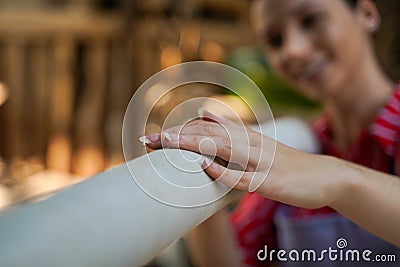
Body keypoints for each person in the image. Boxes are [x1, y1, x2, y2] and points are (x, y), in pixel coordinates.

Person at [142, 0, 400, 266]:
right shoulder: (300, 146)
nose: (293, 50)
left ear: (367, 13)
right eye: (275, 40)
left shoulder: (296, 163)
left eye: (311, 20)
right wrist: (198, 183)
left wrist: (337, 180)